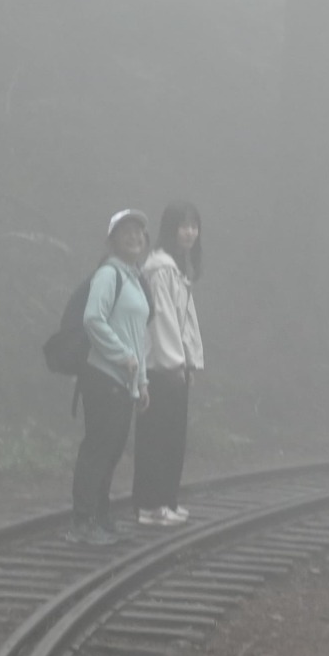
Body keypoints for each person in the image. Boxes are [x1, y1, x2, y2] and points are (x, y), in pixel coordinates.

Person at [70, 209, 151, 545]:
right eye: (126, 232)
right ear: (113, 240)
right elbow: (93, 319)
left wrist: (142, 380)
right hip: (102, 376)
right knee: (98, 449)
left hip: (124, 381)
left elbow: (138, 333)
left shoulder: (134, 278)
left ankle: (101, 517)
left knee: (113, 450)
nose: (134, 237)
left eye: (139, 232)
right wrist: (122, 356)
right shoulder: (108, 275)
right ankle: (82, 523)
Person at [133, 202, 204, 526]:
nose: (190, 232)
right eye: (183, 225)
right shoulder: (161, 268)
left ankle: (165, 501)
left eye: (194, 225)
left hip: (174, 367)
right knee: (158, 437)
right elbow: (162, 320)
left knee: (172, 437)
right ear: (170, 228)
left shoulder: (174, 267)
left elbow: (184, 322)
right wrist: (176, 362)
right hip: (161, 368)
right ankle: (151, 505)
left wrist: (190, 363)